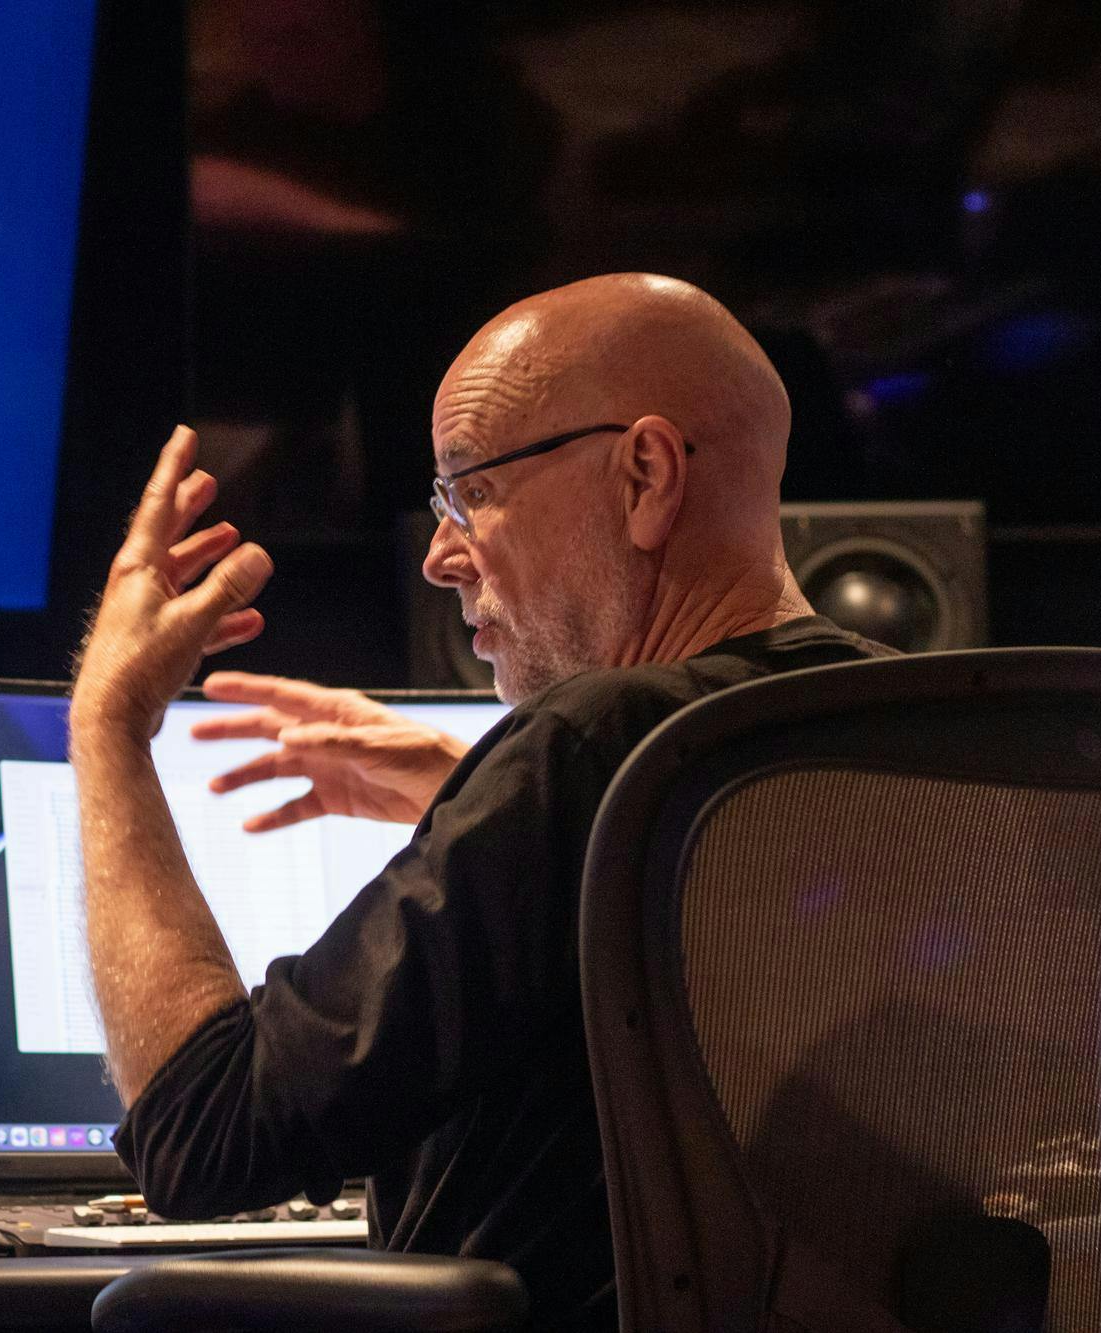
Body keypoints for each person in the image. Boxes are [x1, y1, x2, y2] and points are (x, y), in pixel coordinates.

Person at [67, 273, 893, 1328]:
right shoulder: (903, 736)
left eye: (469, 490)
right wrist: (488, 797)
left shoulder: (583, 751)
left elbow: (205, 1132)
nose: (438, 553)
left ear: (644, 473)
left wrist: (108, 729)